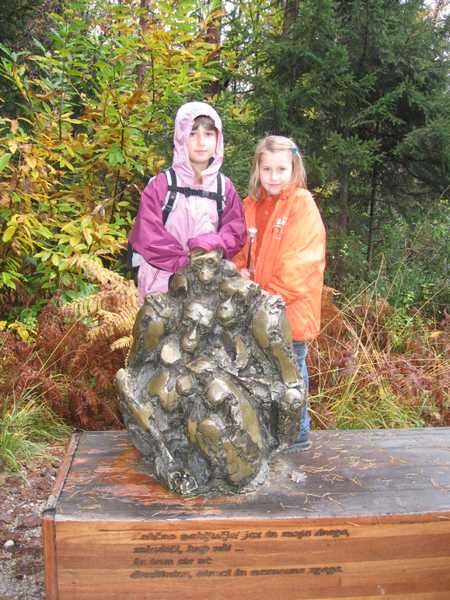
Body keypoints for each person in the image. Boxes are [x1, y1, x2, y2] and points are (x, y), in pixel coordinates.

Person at [233, 135, 326, 450]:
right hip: (256, 313)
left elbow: (299, 265)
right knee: (262, 377)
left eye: (281, 169)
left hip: (289, 314)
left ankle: (297, 437)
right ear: (257, 169)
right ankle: (271, 436)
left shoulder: (302, 204)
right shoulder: (249, 205)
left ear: (293, 169)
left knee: (290, 376)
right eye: (267, 169)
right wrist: (237, 272)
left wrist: (262, 298)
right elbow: (238, 252)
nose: (274, 177)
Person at [129, 101, 247, 303]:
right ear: (180, 137)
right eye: (192, 134)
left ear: (218, 139)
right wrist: (185, 262)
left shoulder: (224, 188)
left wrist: (208, 247)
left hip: (206, 283)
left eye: (208, 134)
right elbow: (147, 235)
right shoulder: (161, 185)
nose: (201, 142)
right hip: (161, 282)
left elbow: (235, 231)